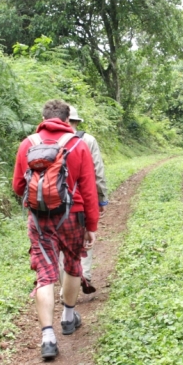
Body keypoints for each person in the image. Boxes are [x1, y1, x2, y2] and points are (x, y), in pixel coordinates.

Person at [12, 99, 100, 360]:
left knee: (45, 274)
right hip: (73, 216)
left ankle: (48, 337)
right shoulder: (77, 144)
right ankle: (68, 318)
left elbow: (19, 187)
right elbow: (88, 189)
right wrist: (91, 225)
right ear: (66, 119)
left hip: (39, 219)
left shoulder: (28, 144)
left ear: (43, 117)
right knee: (72, 264)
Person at [58, 105, 108, 297]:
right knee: (85, 239)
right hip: (81, 201)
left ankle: (65, 285)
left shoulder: (45, 139)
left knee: (62, 244)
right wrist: (101, 198)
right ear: (76, 122)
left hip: (53, 201)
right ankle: (83, 275)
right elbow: (97, 171)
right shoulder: (87, 140)